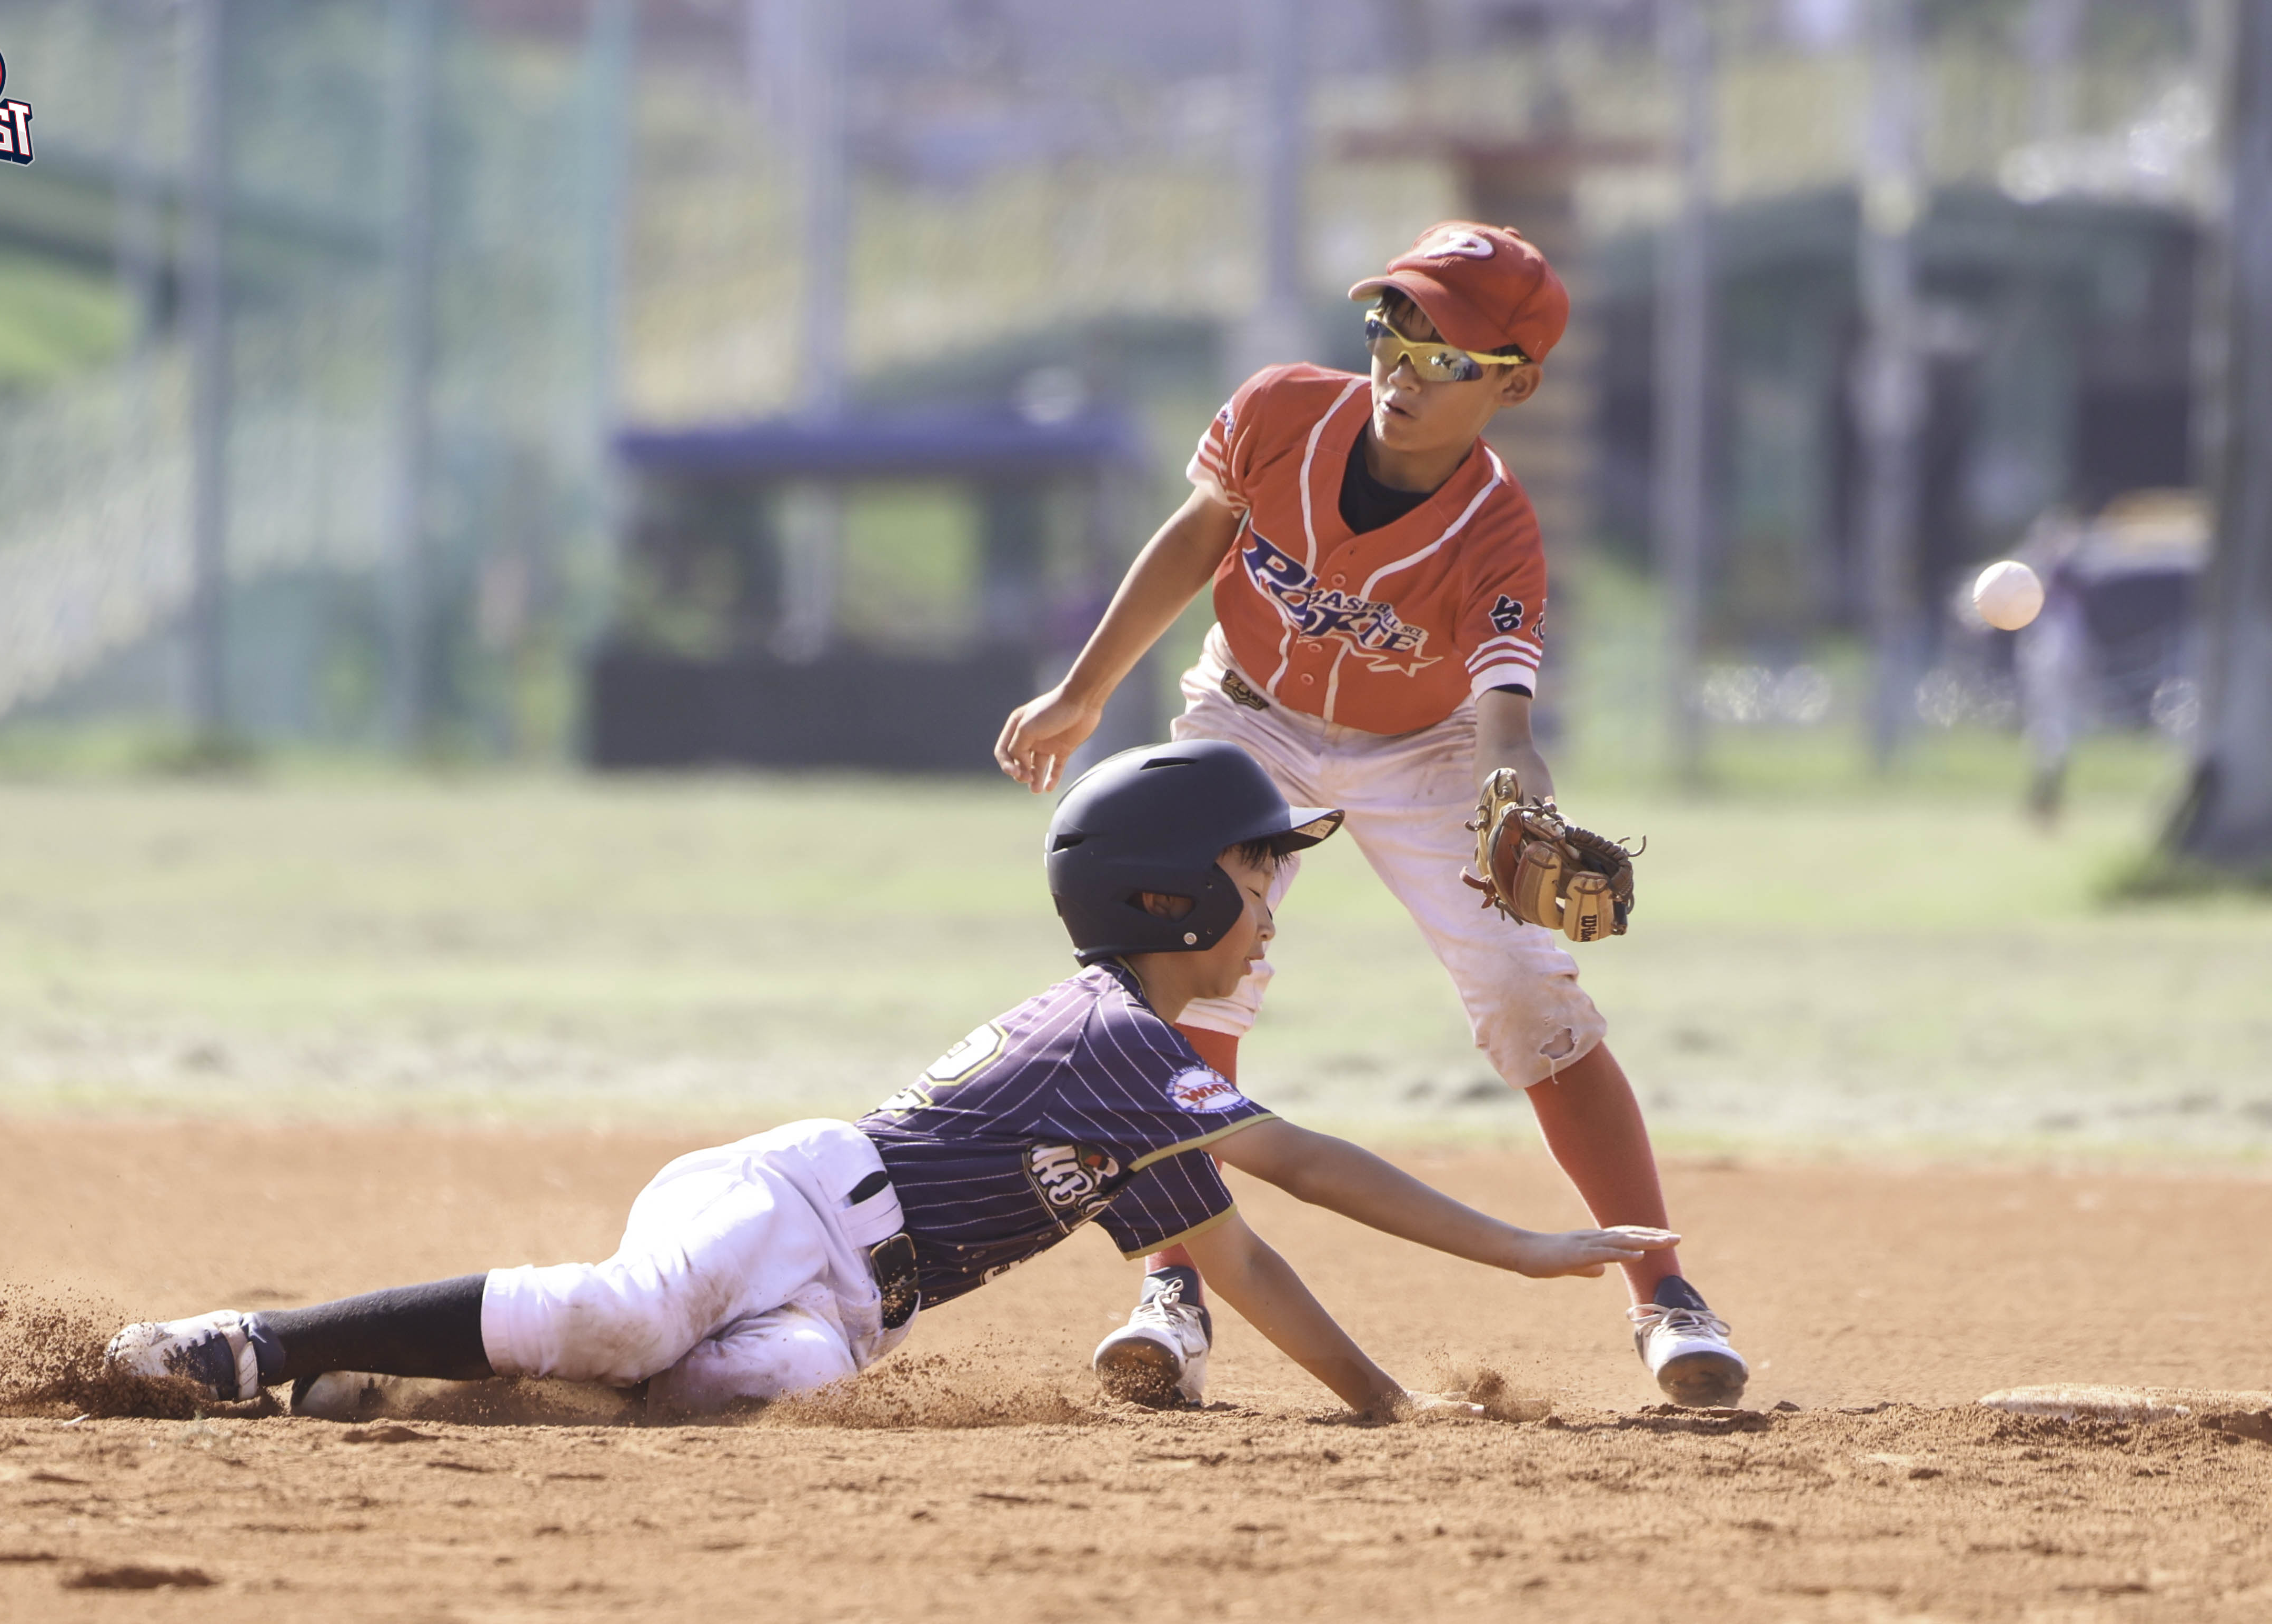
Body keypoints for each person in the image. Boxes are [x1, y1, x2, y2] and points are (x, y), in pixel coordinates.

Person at [105, 741, 1676, 1418]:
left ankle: (369, 1387)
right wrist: (1534, 1248)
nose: (1271, 898)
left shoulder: (1135, 1080)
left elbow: (1240, 1258)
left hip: (854, 1301)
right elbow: (1312, 1171)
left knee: (729, 1391)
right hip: (786, 1200)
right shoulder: (1115, 1039)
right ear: (1161, 897)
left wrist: (1381, 1407)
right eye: (1254, 870)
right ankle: (245, 1342)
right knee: (629, 1318)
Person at [993, 221, 1748, 1408]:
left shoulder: (1496, 530)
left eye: (1444, 350)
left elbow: (1505, 716)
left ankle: (1662, 1291)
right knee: (1182, 955)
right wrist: (1083, 691)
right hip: (1249, 717)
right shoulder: (1280, 412)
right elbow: (1198, 536)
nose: (1403, 362)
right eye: (1393, 324)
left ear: (1514, 383)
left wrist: (1516, 800)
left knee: (1524, 992)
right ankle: (1172, 1286)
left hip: (1427, 750)